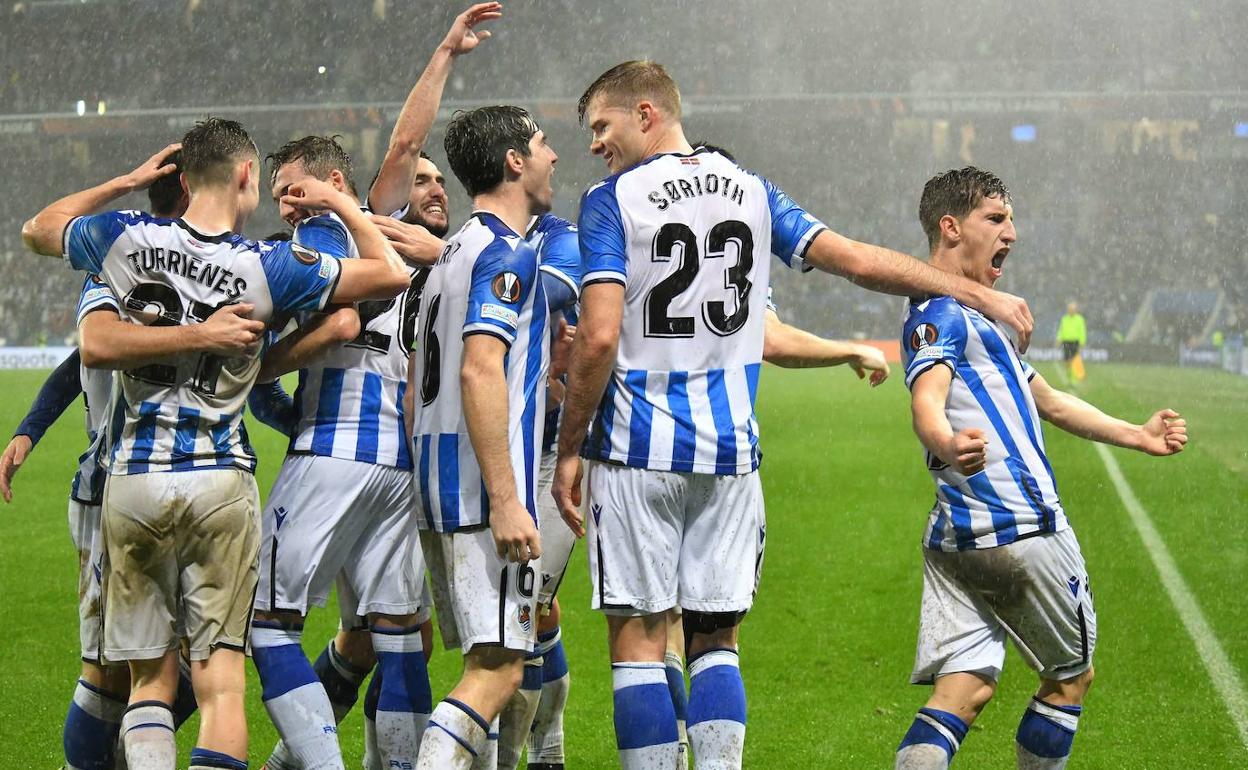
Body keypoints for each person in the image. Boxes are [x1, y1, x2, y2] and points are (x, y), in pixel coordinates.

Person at [551, 60, 1034, 769]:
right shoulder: (751, 191)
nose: (595, 142)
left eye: (602, 124)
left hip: (636, 452)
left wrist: (570, 447)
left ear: (646, 113)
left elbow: (596, 335)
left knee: (640, 645)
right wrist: (980, 296)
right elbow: (860, 263)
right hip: (731, 457)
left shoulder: (610, 199)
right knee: (715, 642)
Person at [21, 116, 410, 770]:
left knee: (148, 680)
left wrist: (123, 183)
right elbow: (391, 274)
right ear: (244, 176)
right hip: (219, 482)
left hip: (133, 481)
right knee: (220, 682)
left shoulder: (123, 239)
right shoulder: (266, 265)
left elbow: (38, 229)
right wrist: (343, 201)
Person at [896, 167, 1187, 770]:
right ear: (951, 228)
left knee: (966, 690)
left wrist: (1137, 434)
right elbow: (926, 401)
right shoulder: (945, 313)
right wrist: (946, 443)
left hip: (957, 538)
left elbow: (1049, 402)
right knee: (1069, 681)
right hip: (1021, 528)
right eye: (996, 219)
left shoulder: (973, 318)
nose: (1013, 233)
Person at [2, 154, 207, 770]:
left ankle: (126, 752)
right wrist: (30, 429)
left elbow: (85, 353)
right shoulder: (137, 263)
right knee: (115, 666)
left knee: (188, 660)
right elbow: (88, 354)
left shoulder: (177, 261)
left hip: (176, 482)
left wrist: (28, 431)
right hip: (113, 486)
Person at [409, 104, 554, 769]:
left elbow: (419, 384)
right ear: (515, 162)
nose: (553, 156)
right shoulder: (506, 252)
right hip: (478, 492)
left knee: (488, 663)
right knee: (497, 672)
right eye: (542, 144)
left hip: (439, 487)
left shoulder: (449, 256)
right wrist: (506, 498)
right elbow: (478, 366)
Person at [1056, 302, 1086, 383]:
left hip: (1075, 342)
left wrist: (1082, 342)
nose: (1071, 311)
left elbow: (1082, 331)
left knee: (1074, 360)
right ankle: (1069, 376)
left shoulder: (1080, 319)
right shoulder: (1064, 319)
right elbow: (1061, 330)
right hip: (1066, 342)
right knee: (1067, 361)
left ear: (1076, 310)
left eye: (1073, 309)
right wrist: (1059, 339)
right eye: (1070, 309)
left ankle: (1073, 379)